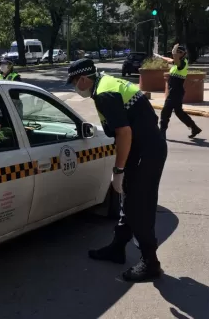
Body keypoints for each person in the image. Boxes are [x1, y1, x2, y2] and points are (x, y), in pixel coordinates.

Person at [66, 58, 167, 282]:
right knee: (127, 202)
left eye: (74, 82)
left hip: (146, 153)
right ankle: (117, 247)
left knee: (139, 206)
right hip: (142, 148)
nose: (75, 87)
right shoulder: (104, 83)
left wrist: (118, 169)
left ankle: (150, 262)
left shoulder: (104, 93)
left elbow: (124, 133)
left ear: (83, 78)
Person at [154, 44, 202, 139]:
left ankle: (162, 132)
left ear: (183, 54)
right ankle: (194, 128)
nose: (177, 53)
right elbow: (169, 59)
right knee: (179, 112)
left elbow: (175, 59)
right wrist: (159, 56)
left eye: (180, 52)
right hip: (176, 91)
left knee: (165, 111)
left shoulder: (182, 63)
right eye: (177, 52)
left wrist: (174, 51)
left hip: (175, 92)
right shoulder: (177, 62)